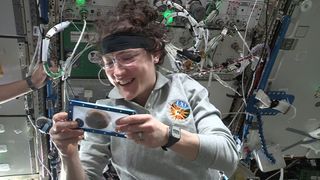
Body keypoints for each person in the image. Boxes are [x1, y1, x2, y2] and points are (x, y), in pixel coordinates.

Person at [49, 0, 239, 179]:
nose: (117, 72)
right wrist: (68, 154)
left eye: (128, 58)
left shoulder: (184, 87)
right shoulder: (104, 112)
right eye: (109, 63)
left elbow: (228, 156)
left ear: (155, 54)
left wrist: (168, 136)